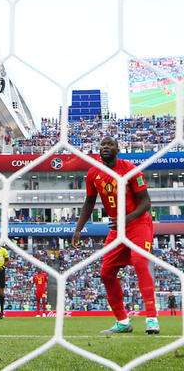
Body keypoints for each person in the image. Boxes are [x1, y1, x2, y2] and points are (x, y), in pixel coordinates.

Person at [73, 136, 158, 335]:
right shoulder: (94, 173)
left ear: (117, 149)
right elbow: (89, 202)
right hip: (117, 229)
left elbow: (146, 203)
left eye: (110, 144)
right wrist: (78, 229)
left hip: (138, 224)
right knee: (106, 273)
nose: (105, 147)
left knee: (140, 263)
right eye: (102, 145)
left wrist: (125, 219)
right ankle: (122, 321)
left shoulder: (130, 169)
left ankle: (152, 319)